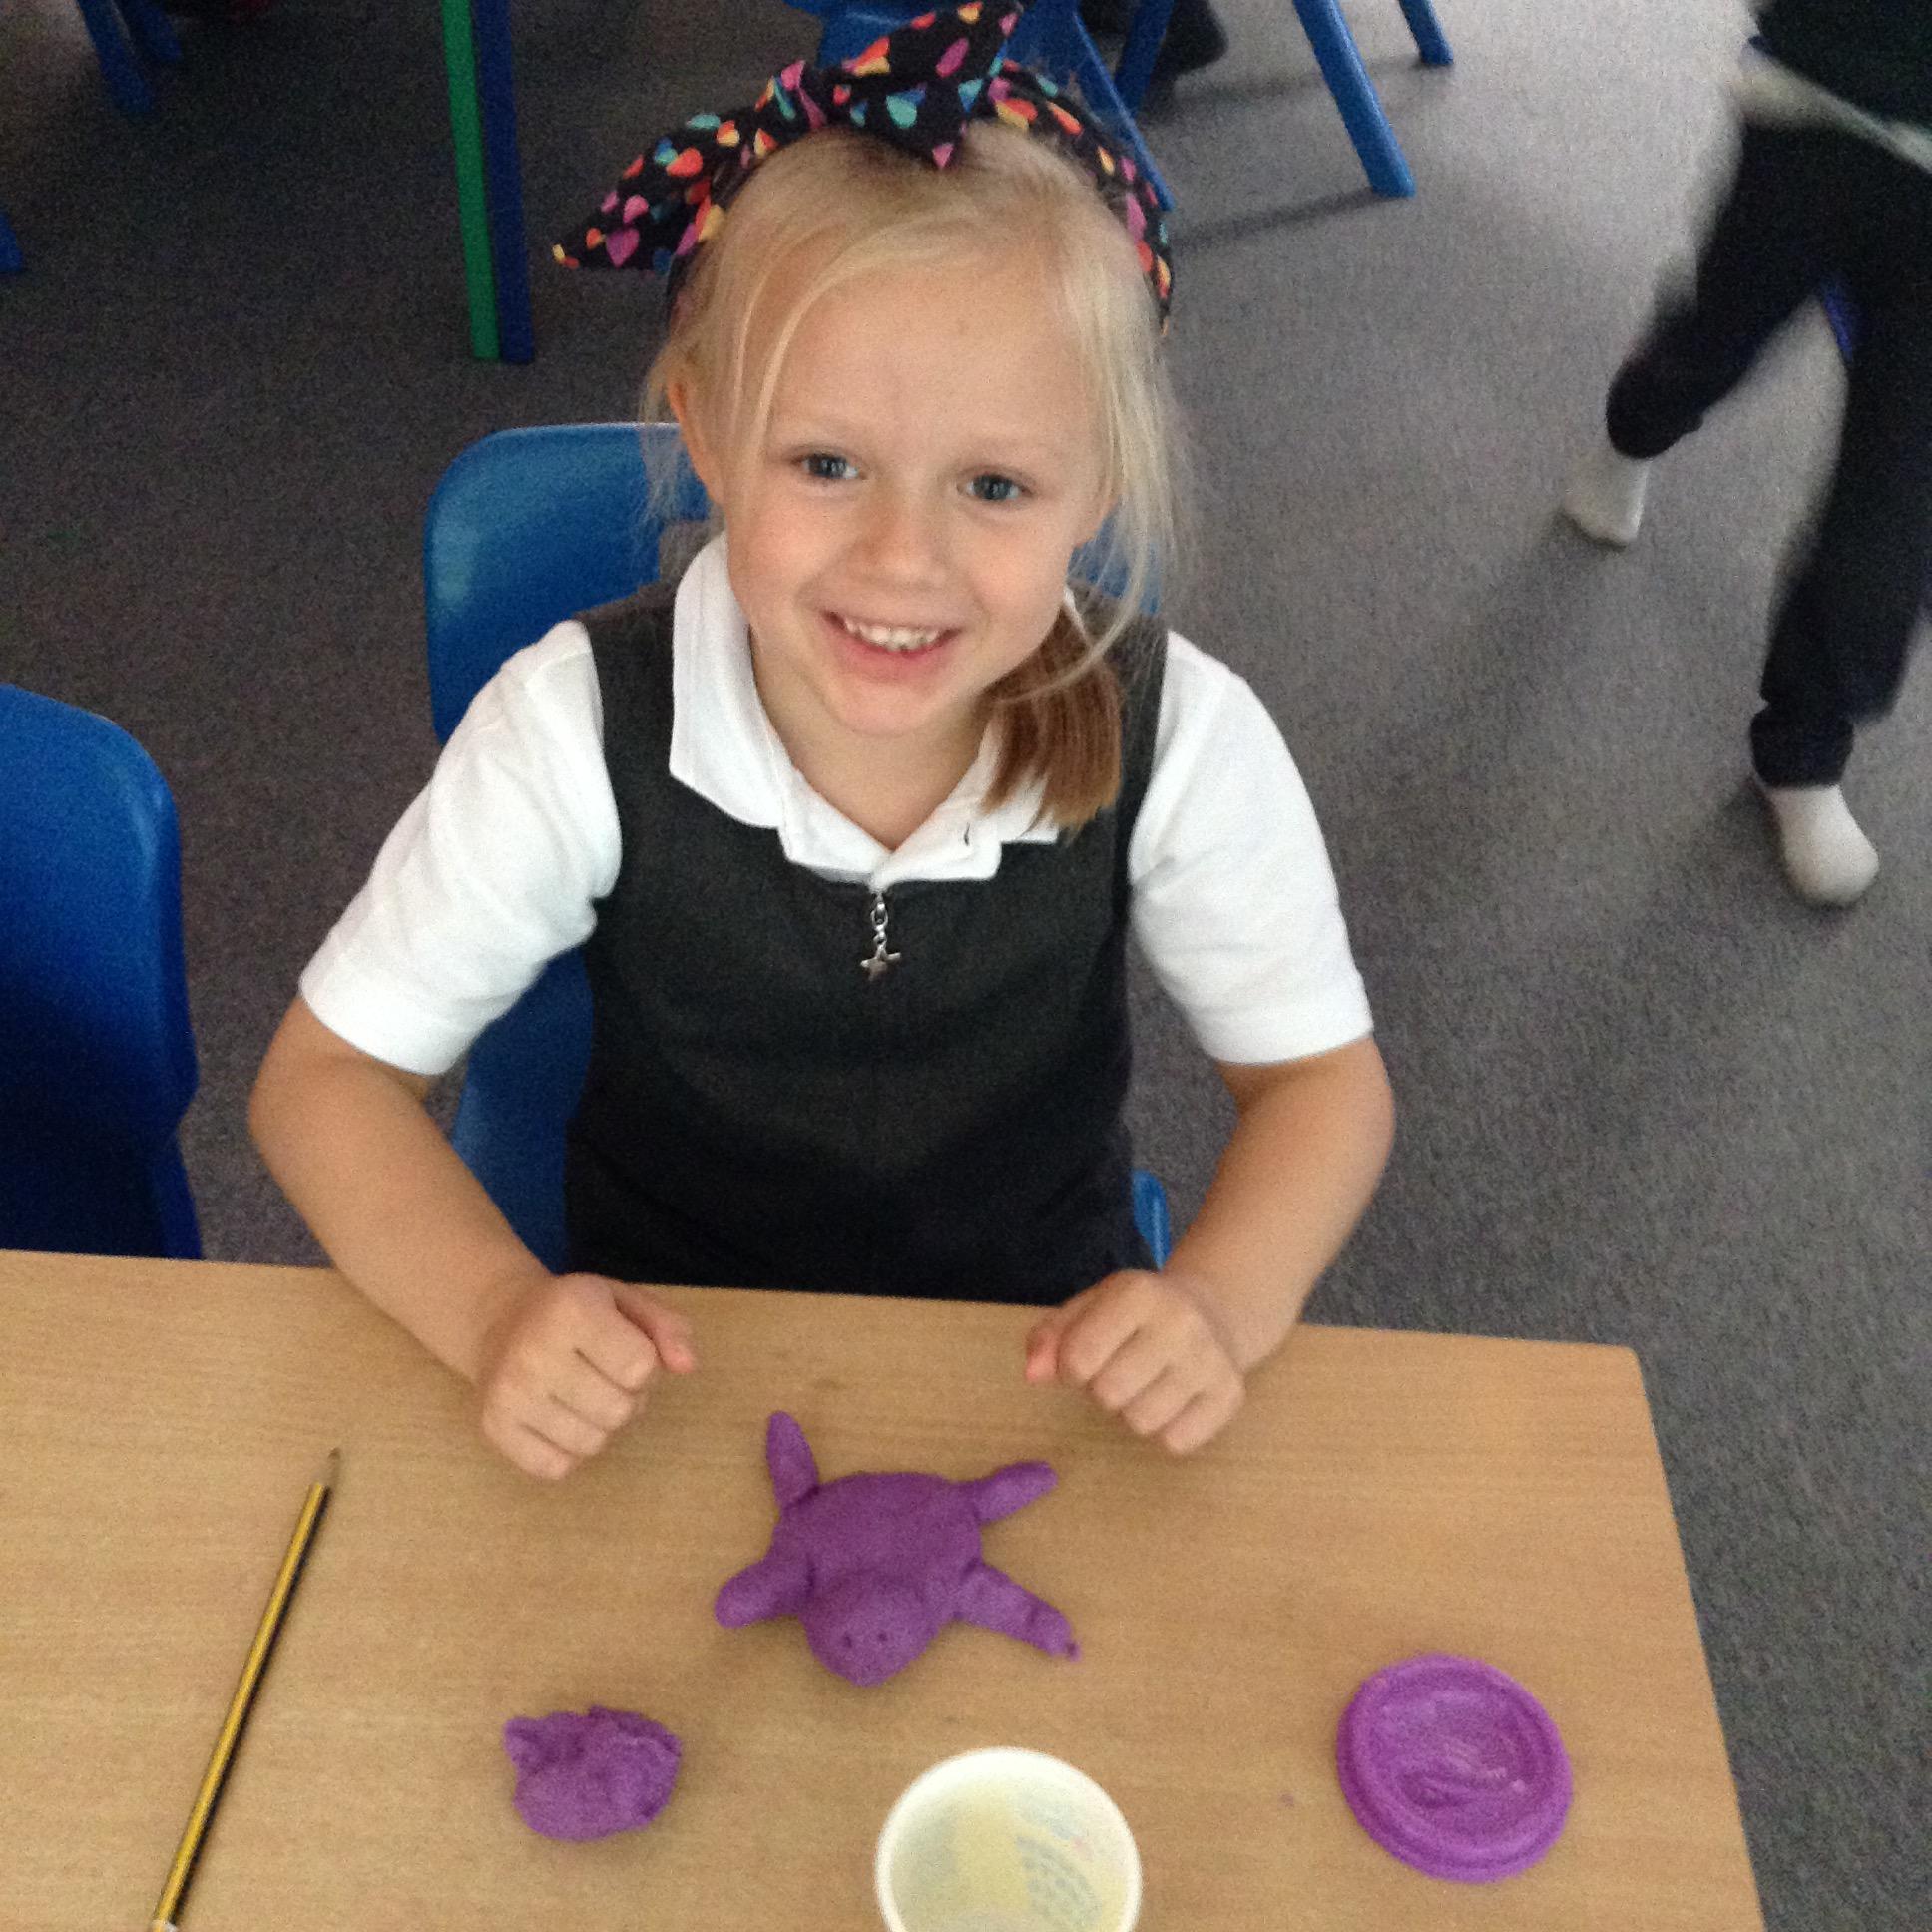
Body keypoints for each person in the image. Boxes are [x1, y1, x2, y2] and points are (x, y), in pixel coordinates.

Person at [250, 4, 1393, 1483]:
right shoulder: (573, 724)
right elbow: (324, 1084)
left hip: (1035, 1368)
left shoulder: (1182, 735)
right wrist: (491, 1311)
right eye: (827, 463)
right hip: (668, 1374)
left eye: (993, 485)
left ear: (1098, 483)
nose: (902, 559)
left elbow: (1321, 1087)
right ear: (707, 435)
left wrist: (1223, 1304)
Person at [1562, 0, 1931, 906]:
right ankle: (1631, 433)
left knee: (1901, 488)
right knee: (1709, 350)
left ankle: (1803, 752)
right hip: (1820, 115)